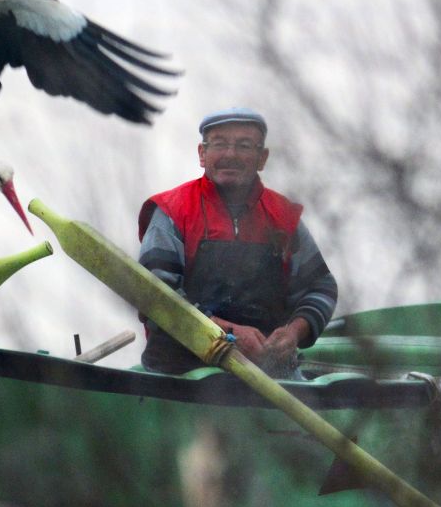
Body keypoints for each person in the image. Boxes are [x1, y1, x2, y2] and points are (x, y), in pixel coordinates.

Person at [136, 107, 337, 377]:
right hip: (180, 378)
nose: (231, 154)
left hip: (272, 380)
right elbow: (156, 297)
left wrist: (293, 333)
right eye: (219, 144)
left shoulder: (284, 217)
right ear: (202, 154)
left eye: (244, 145)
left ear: (262, 158)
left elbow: (320, 287)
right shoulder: (173, 211)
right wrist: (227, 335)